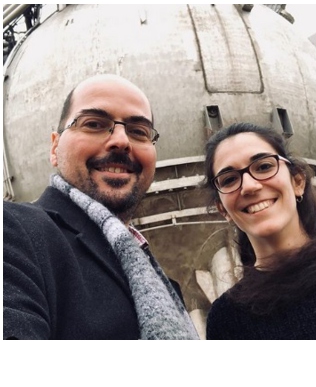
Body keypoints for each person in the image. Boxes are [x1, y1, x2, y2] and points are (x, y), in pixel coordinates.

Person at [3, 74, 199, 340]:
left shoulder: (162, 285)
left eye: (138, 131)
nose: (121, 141)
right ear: (55, 147)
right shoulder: (15, 234)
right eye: (94, 124)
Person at [203, 122, 316, 339]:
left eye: (264, 166)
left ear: (298, 182)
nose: (249, 186)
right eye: (229, 180)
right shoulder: (226, 321)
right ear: (222, 209)